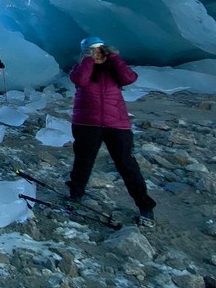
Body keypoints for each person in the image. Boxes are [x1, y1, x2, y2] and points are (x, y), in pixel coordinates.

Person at [67, 36, 157, 227]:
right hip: (86, 123)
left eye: (99, 50)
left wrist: (115, 58)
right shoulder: (80, 69)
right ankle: (75, 196)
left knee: (126, 164)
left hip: (116, 124)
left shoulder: (114, 69)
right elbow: (81, 80)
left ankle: (145, 205)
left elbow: (129, 78)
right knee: (83, 162)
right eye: (92, 50)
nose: (97, 54)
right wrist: (88, 59)